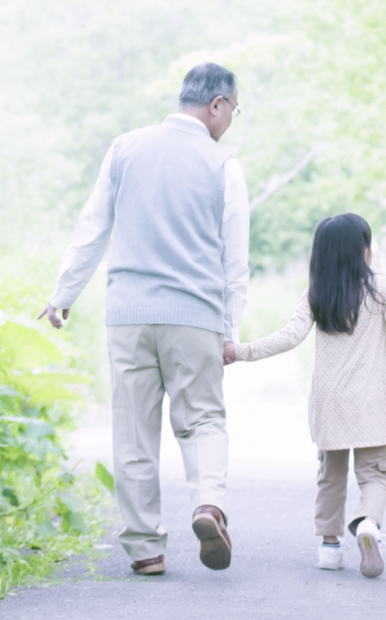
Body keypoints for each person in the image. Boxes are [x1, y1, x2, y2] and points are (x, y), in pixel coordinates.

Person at [38, 63, 249, 575]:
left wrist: (64, 294)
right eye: (234, 110)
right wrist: (230, 330)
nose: (231, 121)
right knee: (203, 419)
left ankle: (145, 549)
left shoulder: (125, 148)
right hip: (194, 315)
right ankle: (207, 503)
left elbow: (93, 227)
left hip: (128, 315)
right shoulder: (223, 165)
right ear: (216, 104)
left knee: (133, 430)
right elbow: (234, 259)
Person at [224, 213, 386, 578]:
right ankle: (369, 523)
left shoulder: (315, 292)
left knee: (331, 476)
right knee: (376, 475)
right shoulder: (381, 288)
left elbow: (289, 336)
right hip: (371, 402)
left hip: (330, 402)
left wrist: (241, 351)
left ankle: (329, 546)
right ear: (365, 253)